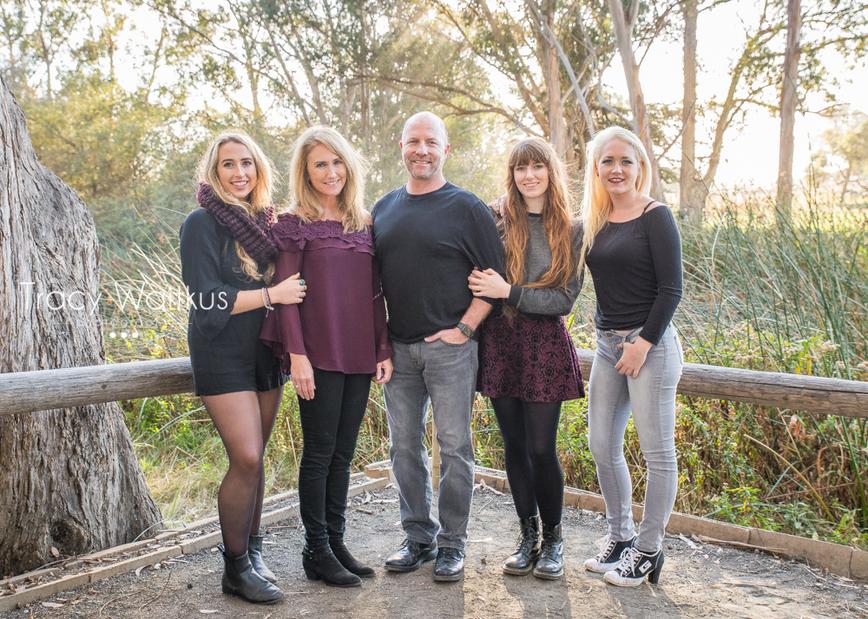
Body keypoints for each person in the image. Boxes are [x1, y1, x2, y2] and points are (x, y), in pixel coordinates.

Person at [372, 111, 504, 582]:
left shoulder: (467, 208)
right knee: (403, 447)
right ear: (401, 147)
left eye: (431, 141)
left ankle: (452, 544)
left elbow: (495, 280)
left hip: (451, 349)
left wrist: (465, 328)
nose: (421, 149)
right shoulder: (383, 209)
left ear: (445, 150)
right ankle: (418, 537)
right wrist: (380, 344)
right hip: (398, 352)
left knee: (454, 448)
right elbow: (374, 286)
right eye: (413, 141)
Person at [260, 126, 393, 588]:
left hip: (359, 352)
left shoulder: (364, 222)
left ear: (348, 167)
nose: (330, 172)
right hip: (317, 352)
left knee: (344, 453)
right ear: (306, 171)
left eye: (337, 162)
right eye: (320, 164)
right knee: (319, 453)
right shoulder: (293, 224)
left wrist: (382, 348)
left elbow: (376, 293)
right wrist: (297, 356)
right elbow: (287, 296)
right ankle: (315, 550)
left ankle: (336, 542)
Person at [180, 131, 307, 604]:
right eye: (229, 164)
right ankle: (234, 569)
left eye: (247, 164)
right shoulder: (200, 224)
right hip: (220, 352)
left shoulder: (268, 225)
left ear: (258, 170)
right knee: (247, 458)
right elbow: (205, 299)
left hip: (263, 353)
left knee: (259, 458)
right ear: (215, 170)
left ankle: (252, 551)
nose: (239, 173)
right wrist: (272, 295)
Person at [468, 138, 584, 580]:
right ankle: (527, 536)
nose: (529, 175)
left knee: (540, 447)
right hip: (500, 340)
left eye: (538, 166)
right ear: (512, 175)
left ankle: (554, 539)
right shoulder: (498, 220)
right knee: (513, 446)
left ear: (551, 172)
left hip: (544, 347)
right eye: (520, 168)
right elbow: (477, 274)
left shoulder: (572, 229)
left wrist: (511, 292)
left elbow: (564, 299)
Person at [578, 126, 684, 587]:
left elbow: (671, 288)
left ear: (640, 166)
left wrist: (644, 342)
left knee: (658, 454)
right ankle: (620, 536)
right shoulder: (595, 219)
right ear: (596, 168)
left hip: (651, 347)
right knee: (601, 443)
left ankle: (647, 549)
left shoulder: (655, 216)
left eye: (625, 161)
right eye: (607, 161)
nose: (616, 169)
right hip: (607, 345)